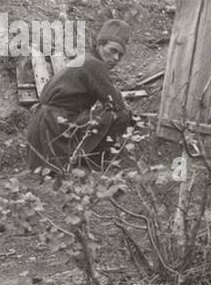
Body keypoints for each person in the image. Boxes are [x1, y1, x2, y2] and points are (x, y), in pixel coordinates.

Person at [25, 19, 134, 175]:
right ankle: (95, 164)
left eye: (120, 55)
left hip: (44, 126)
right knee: (121, 116)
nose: (116, 58)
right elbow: (115, 103)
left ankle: (83, 162)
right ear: (100, 45)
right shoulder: (95, 64)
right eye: (113, 50)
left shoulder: (87, 58)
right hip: (55, 125)